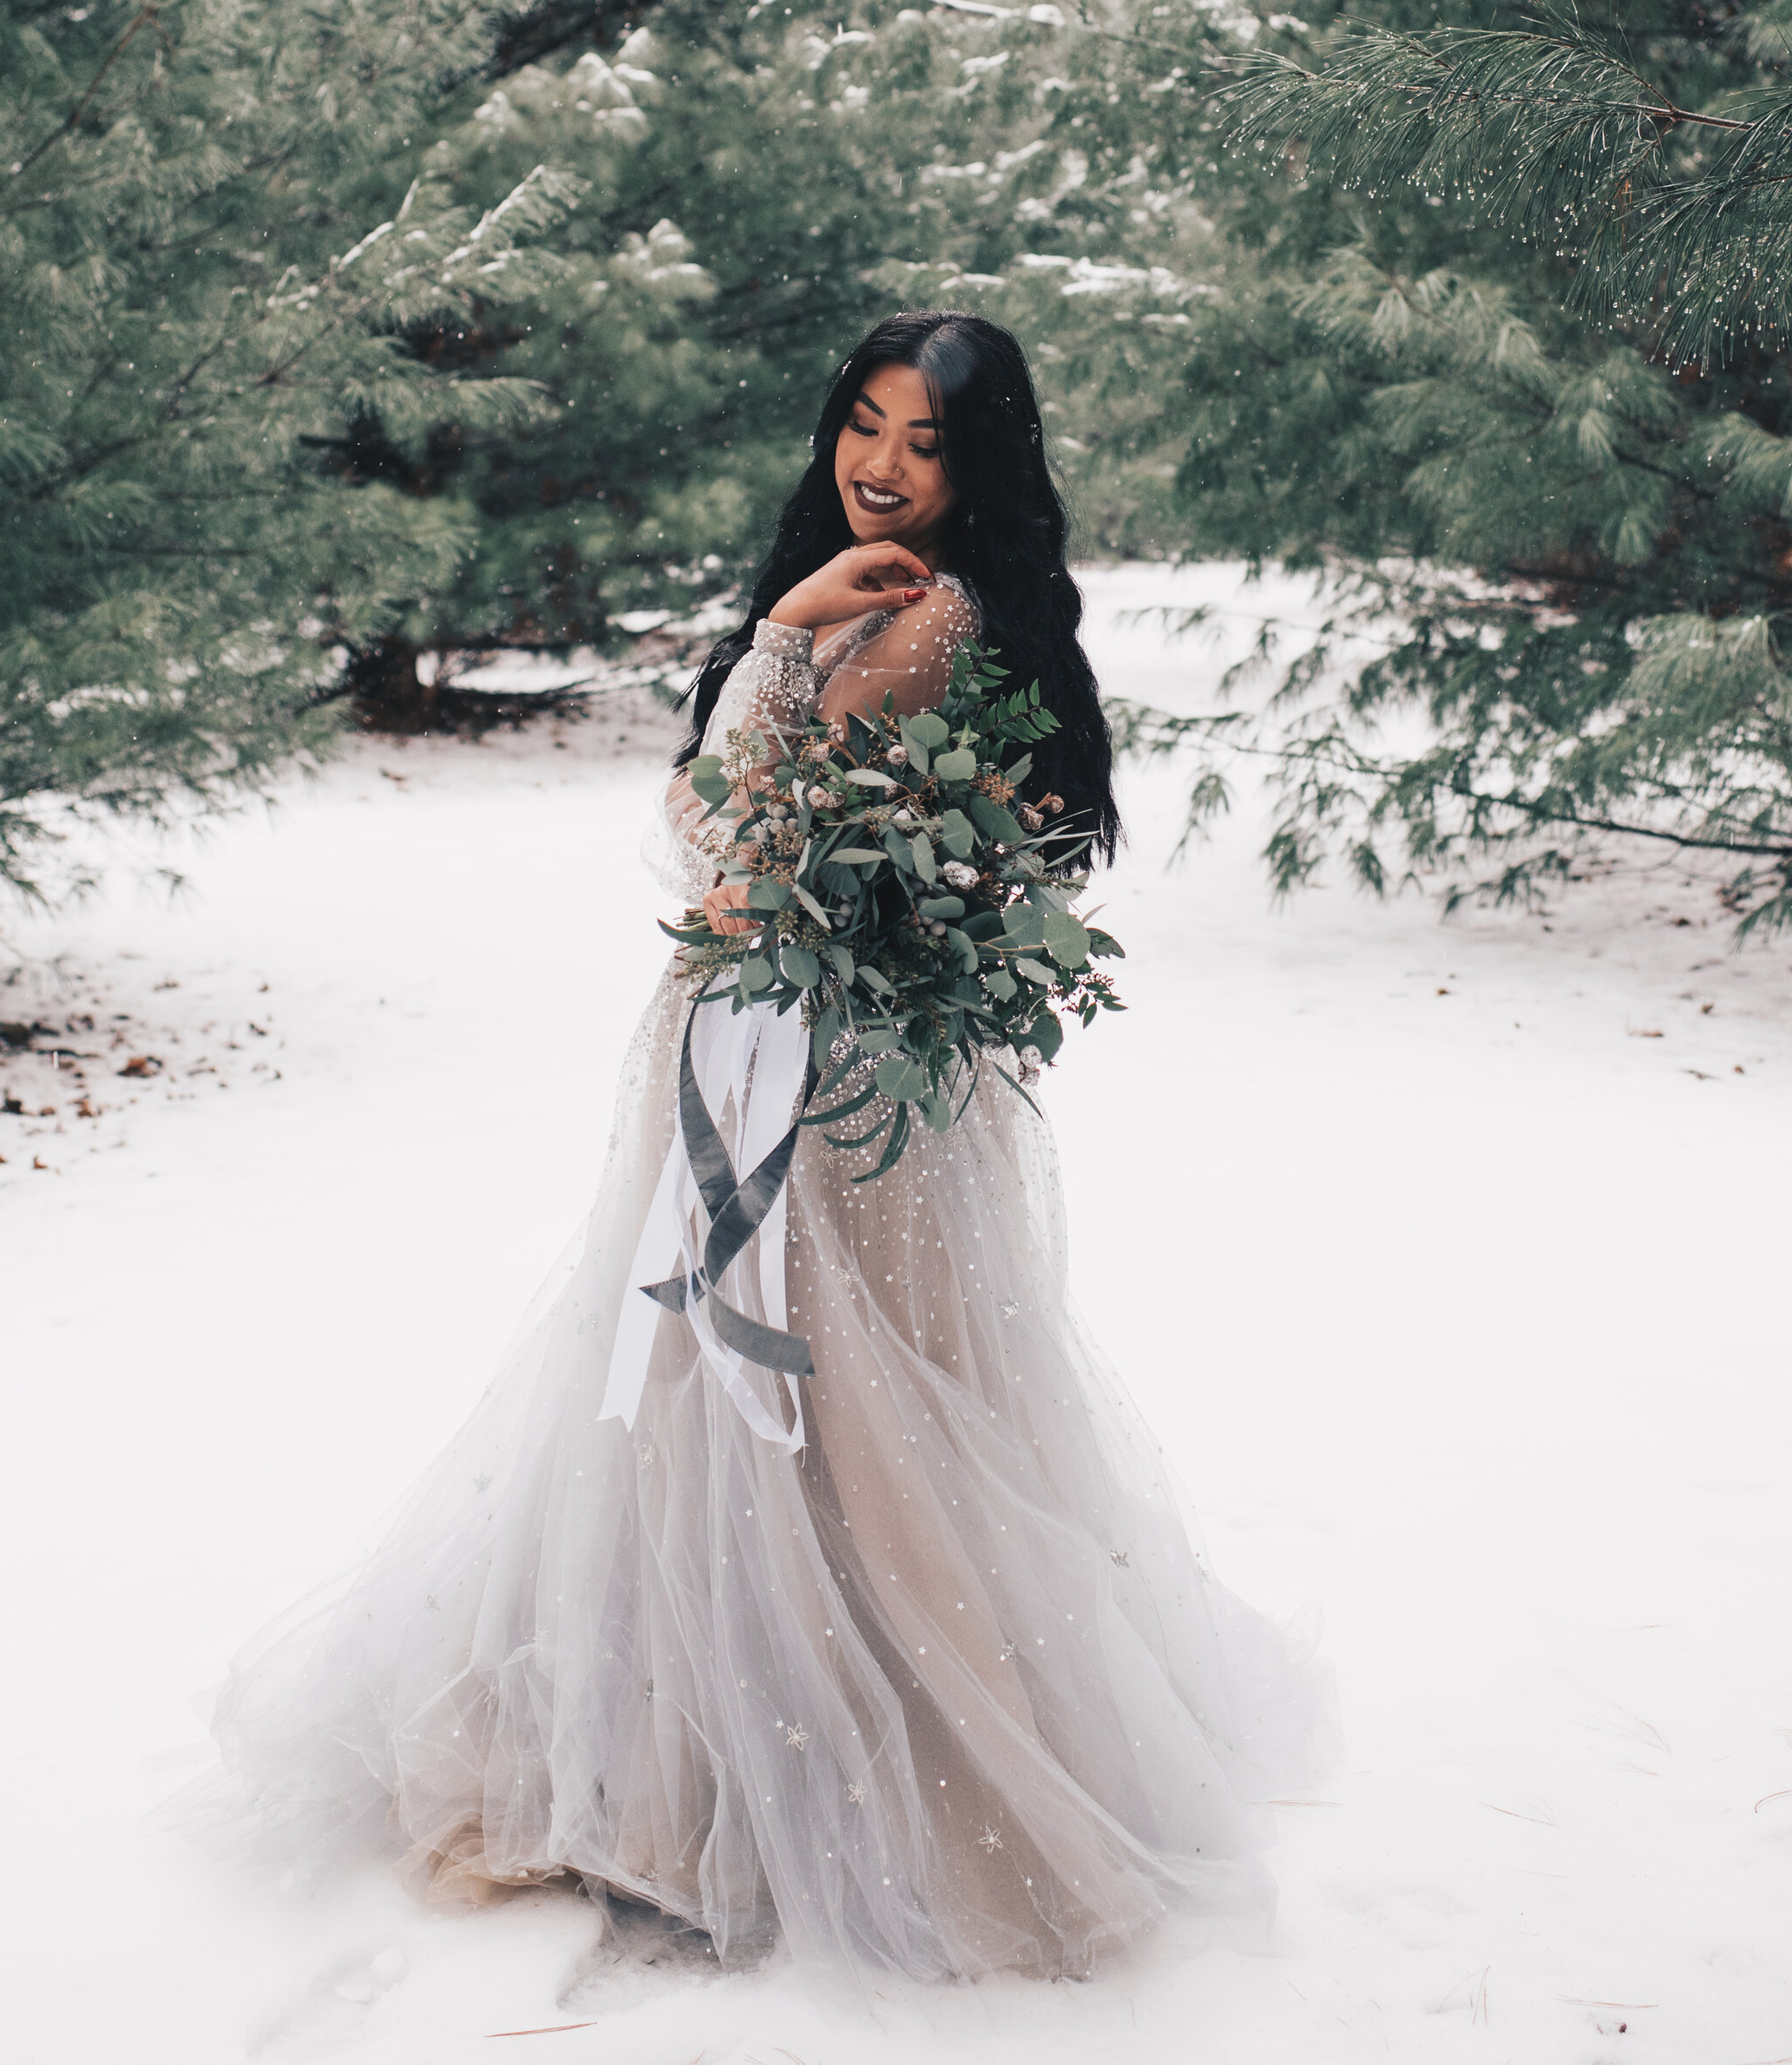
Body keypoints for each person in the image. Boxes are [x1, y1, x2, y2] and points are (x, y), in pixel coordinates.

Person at [208, 310, 1330, 1982]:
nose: (880, 466)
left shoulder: (917, 617)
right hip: (801, 1043)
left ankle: (809, 1768)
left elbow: (736, 827)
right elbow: (753, 838)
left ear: (983, 465)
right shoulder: (919, 599)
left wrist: (777, 637)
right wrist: (787, 642)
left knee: (797, 1400)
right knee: (793, 1397)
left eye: (926, 442)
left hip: (808, 1071)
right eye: (861, 425)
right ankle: (734, 1732)